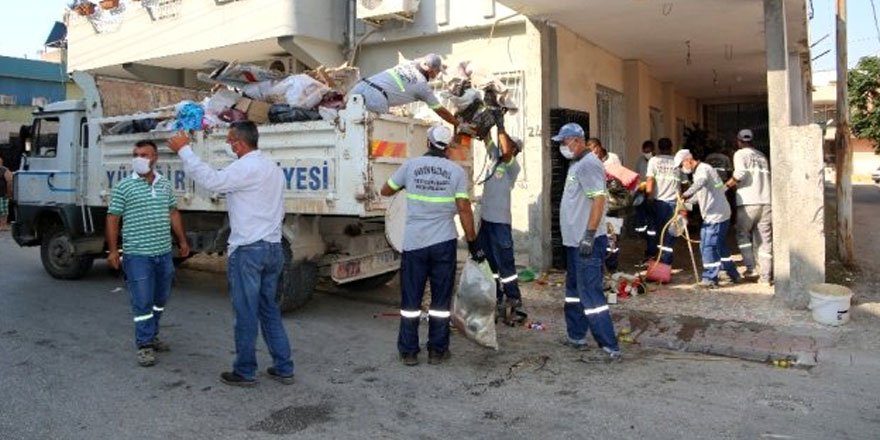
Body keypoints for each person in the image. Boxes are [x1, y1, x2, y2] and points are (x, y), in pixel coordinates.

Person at [167, 121, 294, 387]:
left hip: (249, 249)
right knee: (269, 309)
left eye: (229, 140)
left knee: (246, 312)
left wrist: (185, 151)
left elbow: (213, 182)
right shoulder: (272, 168)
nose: (228, 144)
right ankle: (284, 367)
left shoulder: (246, 167)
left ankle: (245, 371)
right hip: (273, 248)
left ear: (239, 141)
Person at [380, 124, 482, 366]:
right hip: (443, 242)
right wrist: (473, 242)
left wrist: (408, 183)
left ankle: (409, 352)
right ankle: (437, 350)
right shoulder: (456, 172)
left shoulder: (411, 166)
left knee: (411, 300)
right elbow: (464, 208)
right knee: (440, 301)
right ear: (447, 147)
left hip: (414, 243)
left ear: (428, 143)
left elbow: (386, 190)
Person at [106, 140, 190, 367]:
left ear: (155, 159)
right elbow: (113, 218)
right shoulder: (124, 186)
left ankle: (152, 334)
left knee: (160, 299)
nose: (138, 158)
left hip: (163, 254)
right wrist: (113, 251)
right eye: (135, 154)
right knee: (142, 301)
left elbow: (173, 212)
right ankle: (144, 344)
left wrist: (182, 240)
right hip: (137, 256)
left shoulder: (164, 185)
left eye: (144, 154)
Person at [552, 123, 620, 362]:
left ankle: (609, 346)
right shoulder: (577, 164)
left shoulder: (589, 164)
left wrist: (590, 235)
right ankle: (576, 335)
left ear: (577, 140)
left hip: (586, 243)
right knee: (573, 293)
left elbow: (599, 200)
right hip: (574, 242)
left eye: (564, 141)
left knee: (591, 296)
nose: (562, 146)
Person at [476, 131, 526, 326]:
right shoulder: (494, 158)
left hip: (500, 223)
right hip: (487, 222)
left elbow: (505, 150)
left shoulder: (512, 166)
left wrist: (501, 126)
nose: (504, 144)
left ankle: (513, 297)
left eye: (509, 143)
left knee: (506, 264)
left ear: (514, 149)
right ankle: (496, 296)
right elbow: (487, 137)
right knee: (489, 264)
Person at [674, 149, 741, 288]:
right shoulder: (703, 171)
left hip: (715, 215)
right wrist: (685, 204)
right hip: (718, 213)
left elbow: (701, 183)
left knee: (708, 246)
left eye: (681, 166)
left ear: (688, 160)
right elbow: (703, 194)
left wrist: (685, 194)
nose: (682, 169)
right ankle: (733, 274)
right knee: (720, 246)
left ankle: (710, 278)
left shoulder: (703, 170)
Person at [349, 53, 458, 126]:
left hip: (360, 86)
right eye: (437, 71)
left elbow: (420, 61)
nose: (438, 74)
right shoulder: (422, 87)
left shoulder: (408, 63)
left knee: (349, 124)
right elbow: (441, 111)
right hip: (376, 98)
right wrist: (458, 124)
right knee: (379, 130)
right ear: (432, 71)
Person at [726, 128, 773, 285]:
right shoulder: (762, 156)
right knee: (764, 240)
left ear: (739, 141)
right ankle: (765, 277)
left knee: (742, 235)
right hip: (766, 201)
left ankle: (751, 268)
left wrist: (724, 187)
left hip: (748, 201)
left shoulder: (740, 154)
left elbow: (740, 174)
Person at [585, 138, 621, 271]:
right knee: (599, 235)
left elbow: (619, 178)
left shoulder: (613, 158)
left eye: (594, 150)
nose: (593, 154)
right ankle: (599, 265)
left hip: (612, 205)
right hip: (597, 205)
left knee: (613, 236)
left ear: (599, 147)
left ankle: (612, 265)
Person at [645, 138, 681, 265]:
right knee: (670, 233)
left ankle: (657, 258)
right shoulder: (677, 162)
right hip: (674, 203)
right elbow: (685, 183)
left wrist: (649, 197)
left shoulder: (653, 161)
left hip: (658, 202)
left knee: (658, 232)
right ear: (671, 147)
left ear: (658, 148)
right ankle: (666, 261)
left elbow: (650, 180)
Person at [633, 140, 655, 258]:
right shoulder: (640, 161)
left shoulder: (656, 161)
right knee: (641, 222)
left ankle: (652, 249)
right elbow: (636, 176)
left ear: (653, 150)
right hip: (642, 193)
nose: (647, 153)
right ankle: (647, 241)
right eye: (645, 151)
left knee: (652, 223)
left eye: (649, 151)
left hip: (653, 194)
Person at [0, 157, 12, 231]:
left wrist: (9, 193)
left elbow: (10, 181)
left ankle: (3, 225)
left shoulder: (4, 170)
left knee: (3, 211)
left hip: (2, 194)